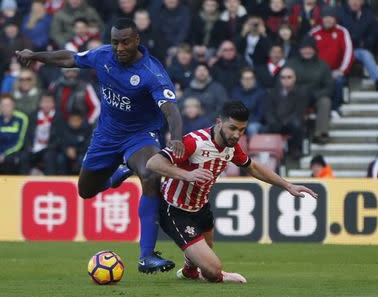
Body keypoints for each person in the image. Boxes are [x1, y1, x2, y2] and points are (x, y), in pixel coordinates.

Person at [16, 18, 184, 273]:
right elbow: (69, 59)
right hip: (106, 136)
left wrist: (177, 138)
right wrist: (36, 55)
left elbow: (171, 110)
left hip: (140, 136)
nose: (119, 47)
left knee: (151, 173)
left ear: (137, 40)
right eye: (115, 42)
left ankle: (146, 256)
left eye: (125, 42)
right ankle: (119, 175)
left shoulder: (152, 73)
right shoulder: (102, 56)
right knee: (86, 191)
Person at [146, 101, 318, 283]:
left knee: (205, 257)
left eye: (242, 130)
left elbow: (253, 168)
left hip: (201, 207)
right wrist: (187, 175)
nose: (237, 135)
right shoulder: (194, 142)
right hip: (175, 209)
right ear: (219, 122)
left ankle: (189, 271)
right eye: (233, 128)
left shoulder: (231, 147)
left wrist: (288, 185)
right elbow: (153, 163)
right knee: (212, 271)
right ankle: (214, 274)